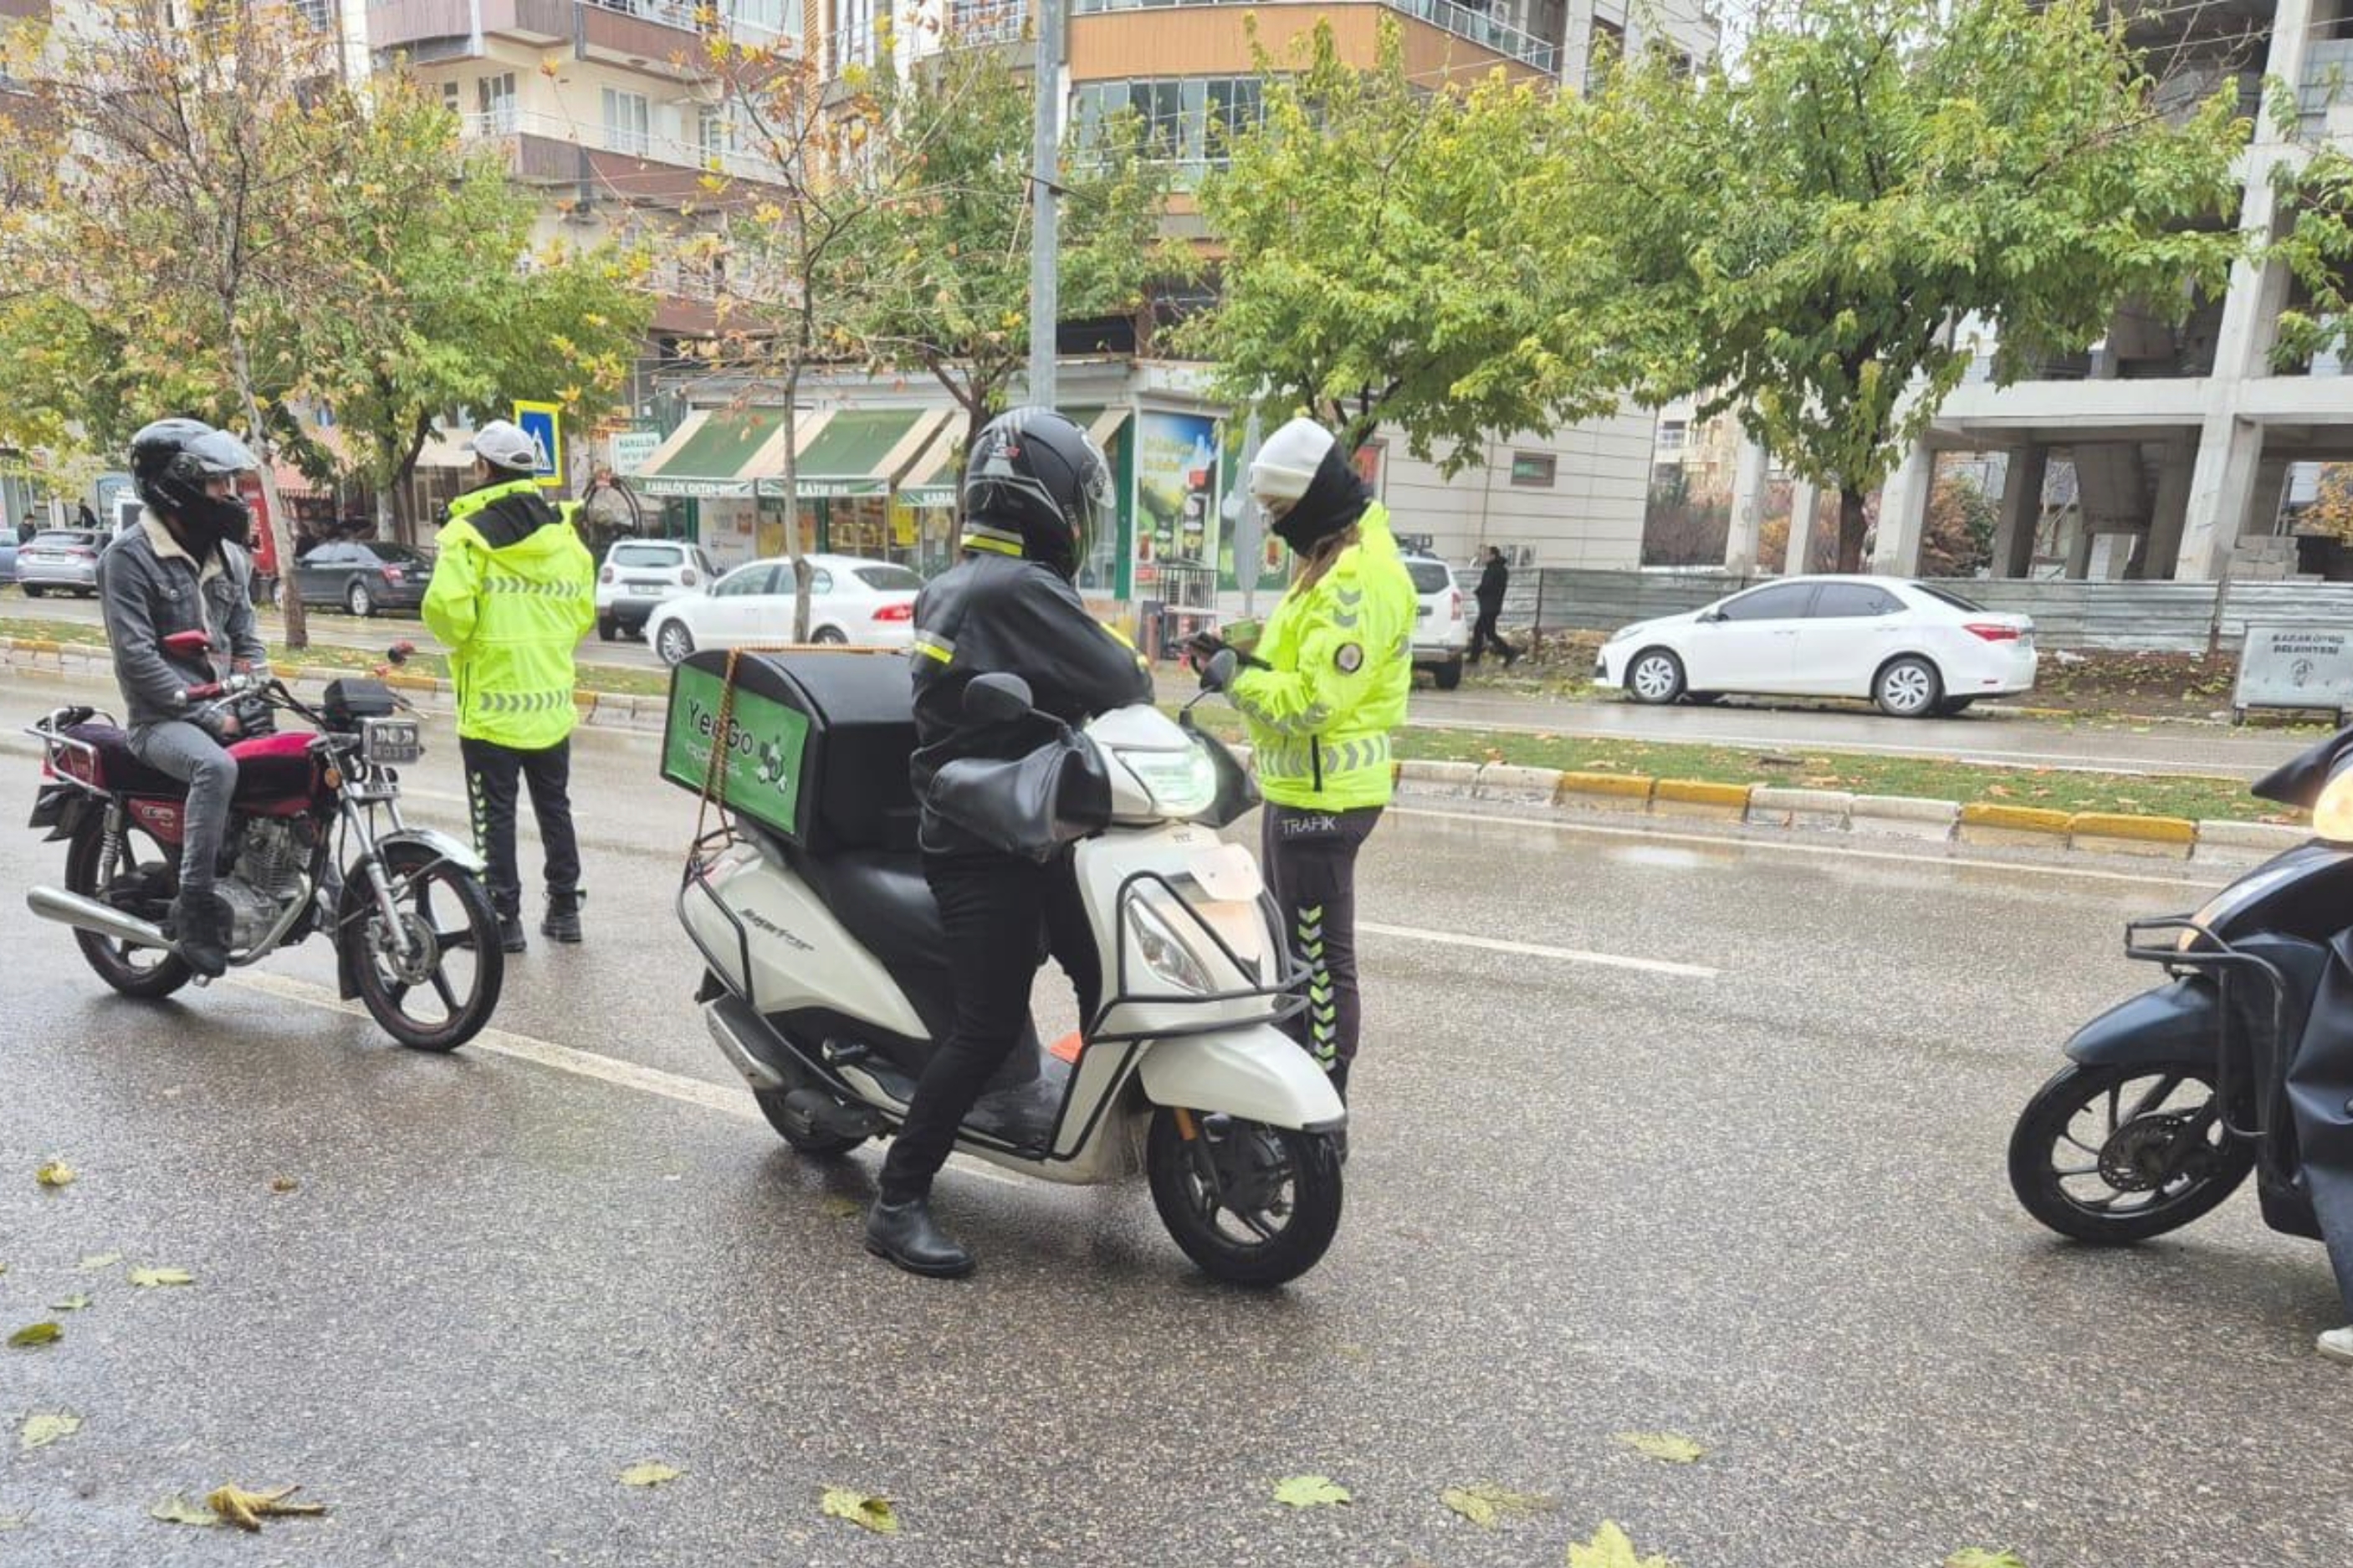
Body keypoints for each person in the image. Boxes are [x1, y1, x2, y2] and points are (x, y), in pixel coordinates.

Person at [865, 407, 1153, 1279]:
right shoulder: (1013, 589)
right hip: (988, 847)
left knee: (1109, 978)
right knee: (987, 1030)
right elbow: (1121, 678)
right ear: (1051, 502)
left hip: (1026, 828)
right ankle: (896, 1201)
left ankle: (1126, 1129)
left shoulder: (962, 579)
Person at [1193, 416, 1414, 1114]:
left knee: (1318, 962)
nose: (1278, 527)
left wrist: (1237, 680)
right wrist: (1240, 653)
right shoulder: (1329, 558)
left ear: (1315, 498)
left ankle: (1319, 1115)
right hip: (1303, 788)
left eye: (1282, 513)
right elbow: (1298, 658)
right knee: (1295, 953)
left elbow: (1314, 700)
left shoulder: (1356, 579)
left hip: (1326, 797)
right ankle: (1293, 1092)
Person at [97, 419, 272, 978]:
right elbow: (137, 659)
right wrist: (206, 714)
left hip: (225, 707)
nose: (230, 497)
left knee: (300, 761)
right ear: (176, 487)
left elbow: (247, 637)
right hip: (161, 720)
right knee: (214, 768)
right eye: (218, 485)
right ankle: (195, 905)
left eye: (231, 484)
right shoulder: (128, 558)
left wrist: (257, 691)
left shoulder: (230, 557)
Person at [422, 420, 596, 953]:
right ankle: (565, 910)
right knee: (554, 807)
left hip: (492, 706)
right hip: (548, 700)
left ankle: (503, 917)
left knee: (494, 814)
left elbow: (446, 616)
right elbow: (582, 613)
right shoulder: (565, 536)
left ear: (482, 468)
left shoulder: (467, 535)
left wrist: (477, 640)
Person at [1470, 544, 1517, 667]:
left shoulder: (1493, 570)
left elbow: (1487, 586)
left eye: (1486, 555)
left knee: (1484, 631)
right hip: (1493, 606)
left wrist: (1477, 591)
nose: (1484, 557)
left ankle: (1509, 652)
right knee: (1484, 631)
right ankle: (1475, 657)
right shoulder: (1499, 569)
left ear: (1493, 556)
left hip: (1489, 606)